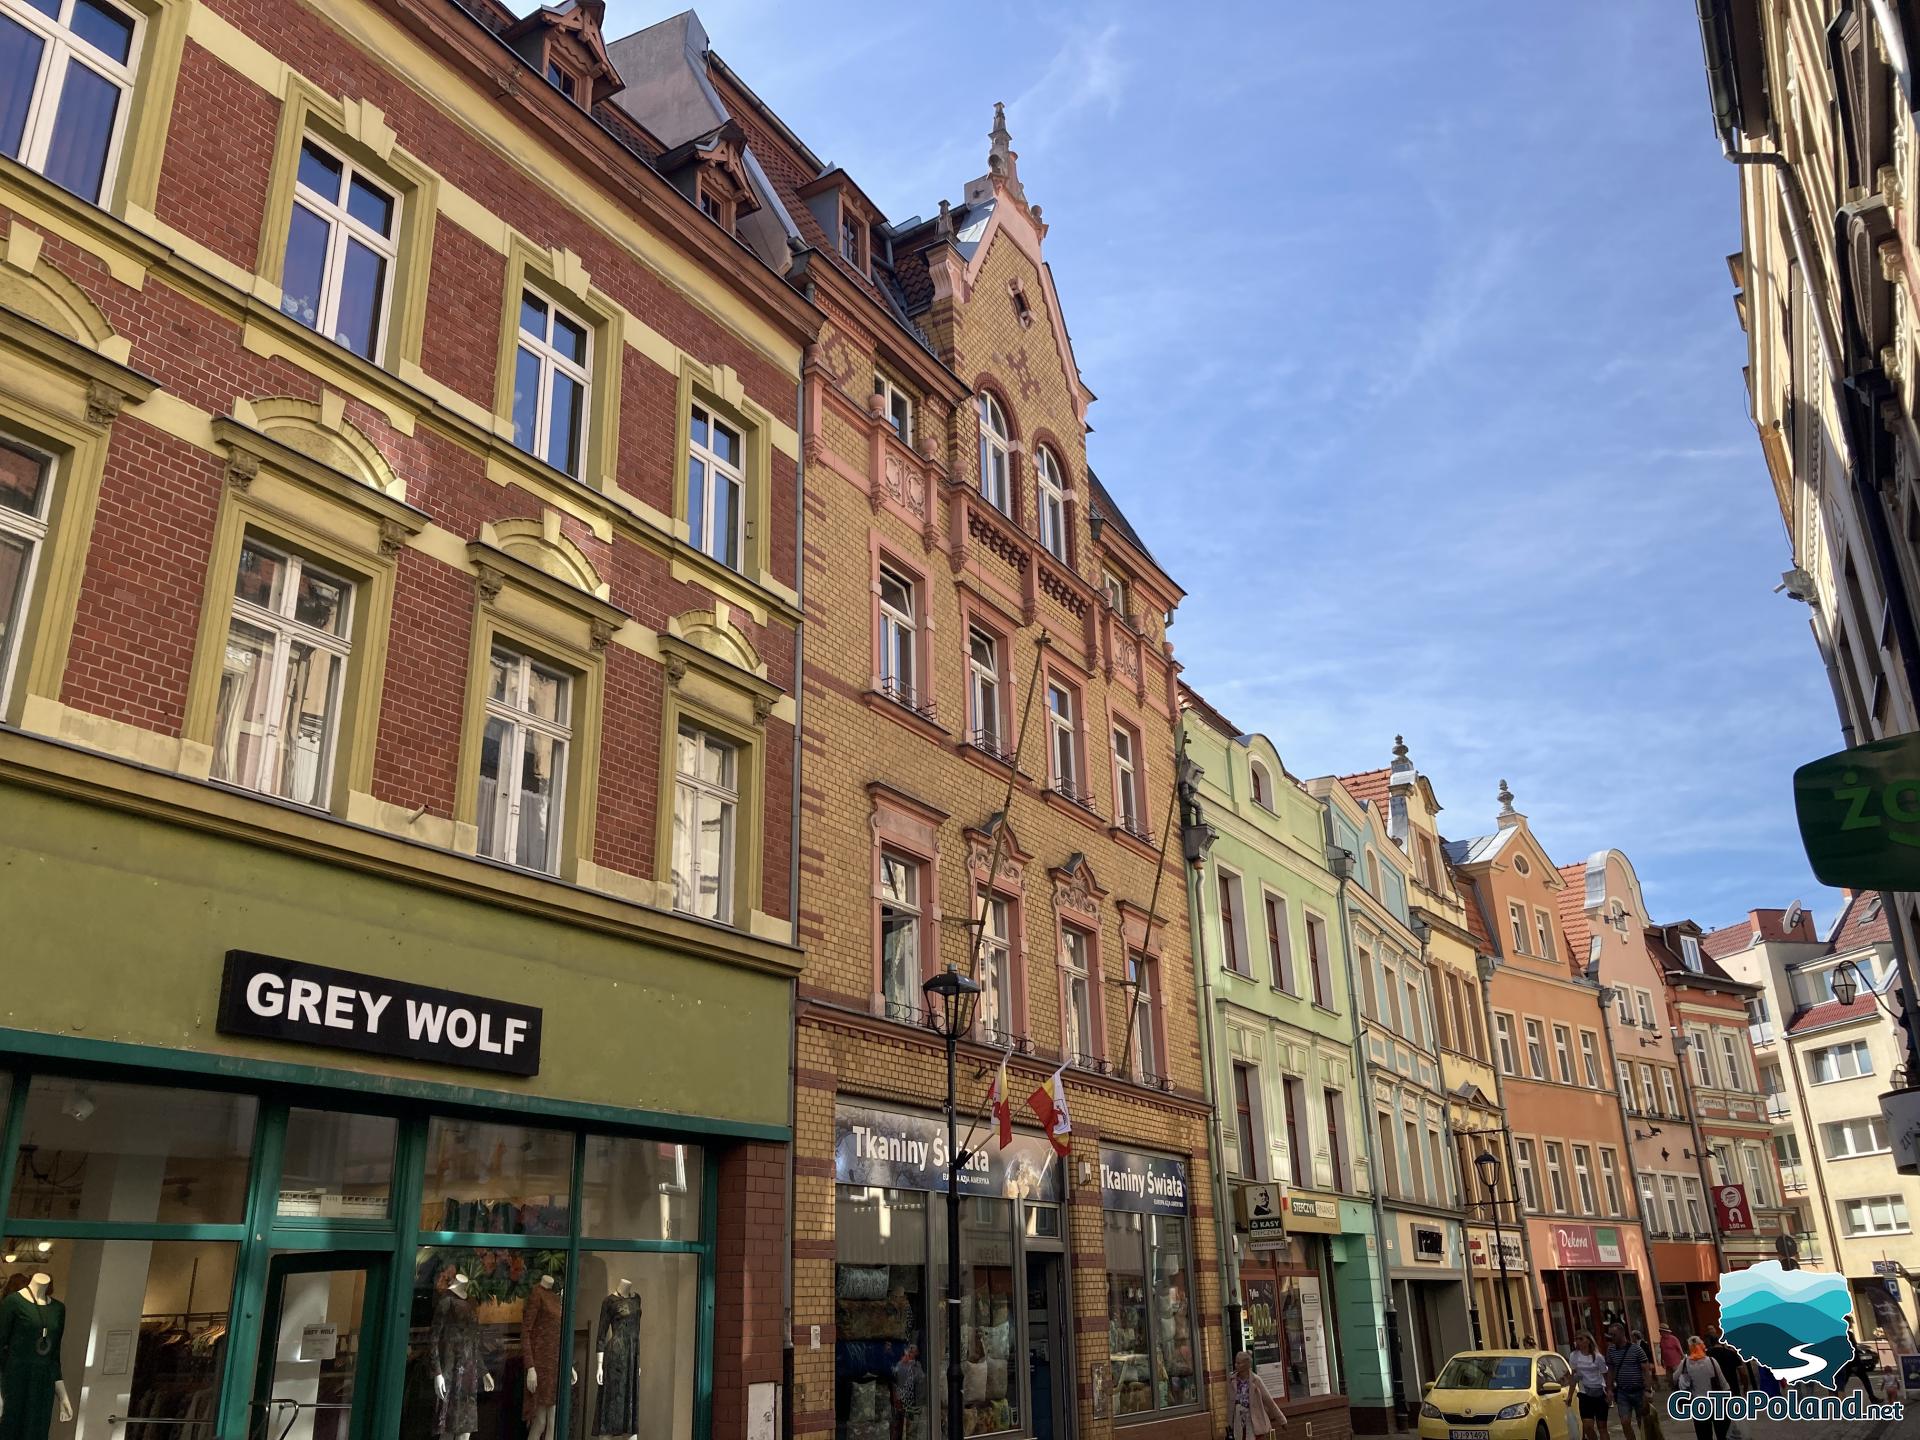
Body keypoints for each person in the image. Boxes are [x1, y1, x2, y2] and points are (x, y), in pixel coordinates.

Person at [1673, 1336, 1731, 1440]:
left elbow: (1675, 1378)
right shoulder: (1712, 1361)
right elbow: (1723, 1383)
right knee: (1722, 1434)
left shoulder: (1685, 1363)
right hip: (1717, 1403)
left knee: (1703, 1435)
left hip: (1699, 1406)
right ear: (1702, 1346)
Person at [1228, 1349, 1287, 1440]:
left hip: (1253, 1420)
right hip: (1238, 1420)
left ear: (1246, 1364)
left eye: (1239, 1363)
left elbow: (1269, 1401)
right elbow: (1230, 1404)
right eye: (1236, 1362)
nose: (1236, 1365)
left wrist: (1282, 1420)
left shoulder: (1256, 1380)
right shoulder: (1232, 1380)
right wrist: (1229, 1423)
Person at [1605, 1323, 1648, 1440]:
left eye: (1613, 1335)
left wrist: (1647, 1389)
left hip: (1638, 1390)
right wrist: (1609, 1389)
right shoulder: (1611, 1350)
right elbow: (1610, 1370)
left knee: (1642, 1422)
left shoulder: (1636, 1349)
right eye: (1610, 1335)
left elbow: (1645, 1369)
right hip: (1622, 1392)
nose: (1611, 1337)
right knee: (1625, 1422)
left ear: (1622, 1334)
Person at [1568, 1331, 1611, 1440]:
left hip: (1599, 1393)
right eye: (1576, 1339)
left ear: (1588, 1340)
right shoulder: (1574, 1356)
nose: (1578, 1341)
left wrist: (1609, 1391)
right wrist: (1569, 1395)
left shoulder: (1597, 1357)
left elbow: (1605, 1375)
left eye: (1581, 1339)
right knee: (1587, 1426)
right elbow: (1573, 1377)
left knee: (1602, 1427)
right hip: (1584, 1394)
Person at [1702, 1327, 1749, 1395]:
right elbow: (1743, 1374)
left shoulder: (1706, 1356)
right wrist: (1745, 1389)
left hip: (1716, 1393)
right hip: (1733, 1390)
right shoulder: (1731, 1353)